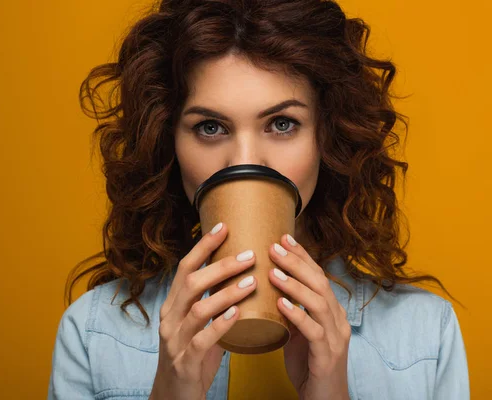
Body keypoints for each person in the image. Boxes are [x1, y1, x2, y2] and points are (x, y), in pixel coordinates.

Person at [47, 0, 470, 398]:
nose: (245, 162)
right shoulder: (91, 333)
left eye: (282, 123)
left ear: (327, 135)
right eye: (211, 127)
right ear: (168, 141)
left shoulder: (426, 337)